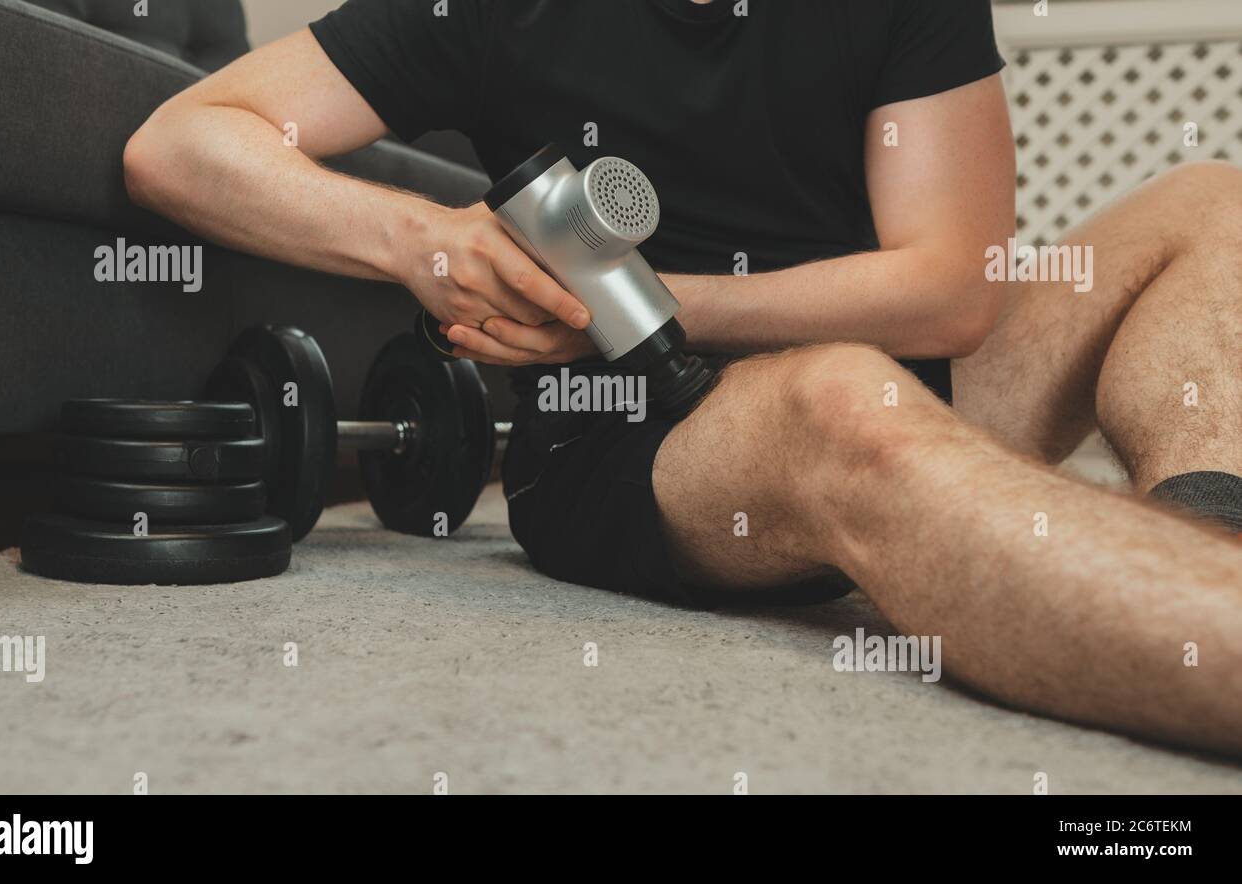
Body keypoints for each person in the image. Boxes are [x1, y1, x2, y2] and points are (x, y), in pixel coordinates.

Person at [123, 0, 1242, 755]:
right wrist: (428, 243)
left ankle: (1201, 553)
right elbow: (180, 142)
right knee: (843, 398)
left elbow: (953, 288)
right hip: (629, 430)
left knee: (1211, 202)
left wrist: (654, 301)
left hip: (895, 363)